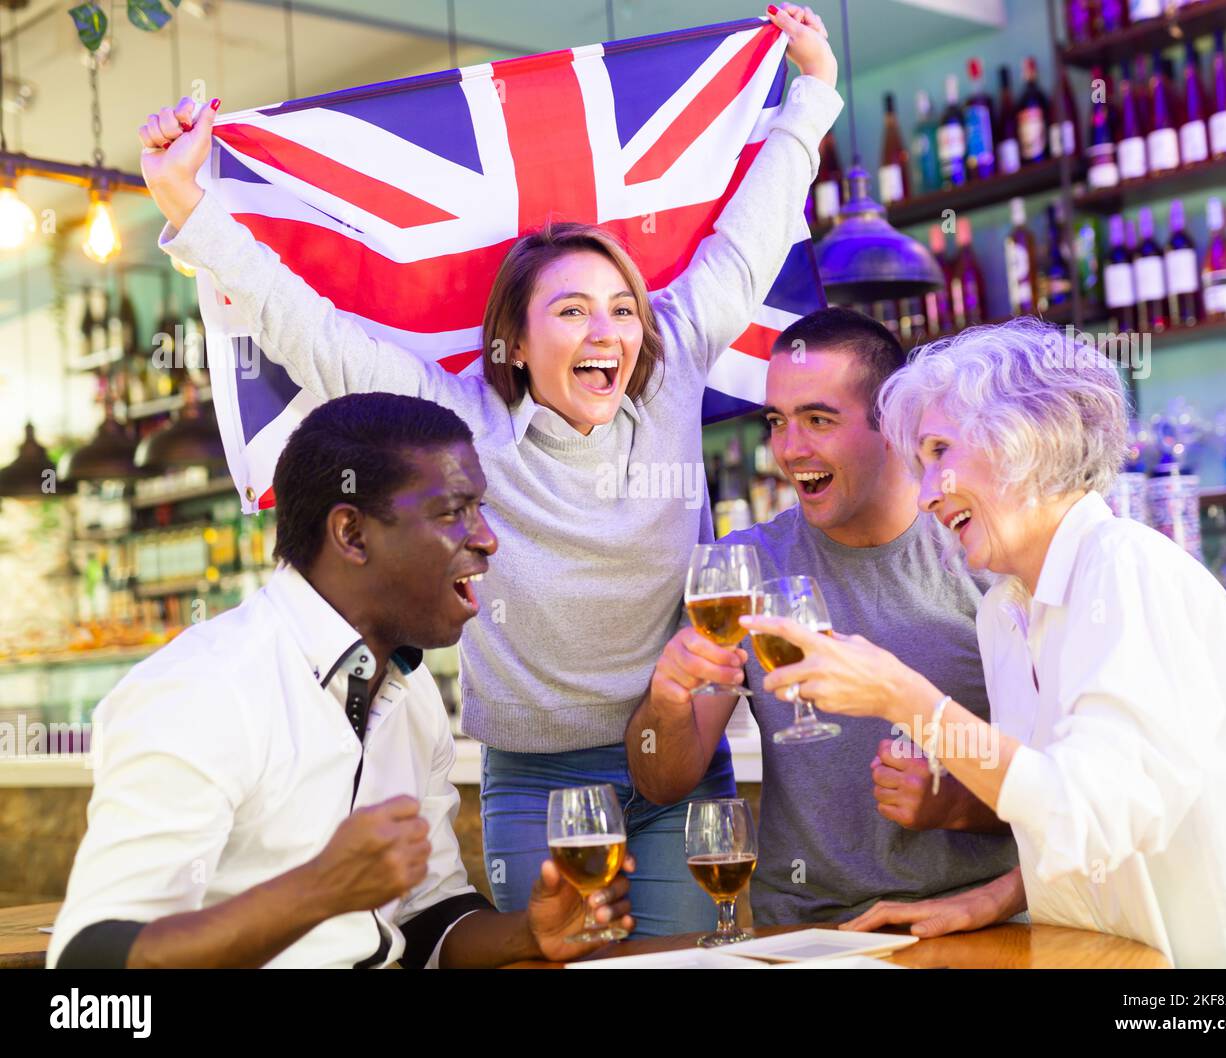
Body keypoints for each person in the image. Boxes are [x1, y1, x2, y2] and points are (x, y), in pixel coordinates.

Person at [133, 4, 842, 936]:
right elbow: (307, 328)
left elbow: (751, 238)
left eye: (622, 308)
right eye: (574, 312)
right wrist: (189, 204)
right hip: (534, 783)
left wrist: (813, 91)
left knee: (688, 965)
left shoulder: (666, 368)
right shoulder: (461, 425)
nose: (609, 332)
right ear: (511, 338)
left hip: (676, 761)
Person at [742, 317, 1226, 967]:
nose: (925, 496)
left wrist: (901, 697)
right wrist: (998, 896)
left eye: (940, 453)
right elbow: (1080, 821)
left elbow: (1084, 812)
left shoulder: (1126, 571)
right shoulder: (1006, 612)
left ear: (1025, 442)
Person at [49, 394, 636, 969]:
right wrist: (321, 891)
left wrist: (530, 936)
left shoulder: (411, 694)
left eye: (480, 509)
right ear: (352, 534)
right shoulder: (202, 690)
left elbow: (428, 916)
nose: (486, 540)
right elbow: (86, 968)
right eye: (454, 512)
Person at [627, 307, 1019, 928]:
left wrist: (961, 804)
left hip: (978, 922)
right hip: (810, 933)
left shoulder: (982, 557)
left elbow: (1080, 791)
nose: (790, 448)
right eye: (778, 422)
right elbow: (661, 781)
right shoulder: (742, 569)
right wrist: (668, 704)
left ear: (893, 423)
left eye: (818, 420)